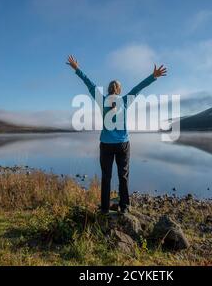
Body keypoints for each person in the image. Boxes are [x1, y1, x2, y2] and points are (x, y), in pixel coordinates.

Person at [66, 55, 167, 214]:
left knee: (106, 177)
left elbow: (89, 84)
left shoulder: (102, 100)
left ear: (108, 90)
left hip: (106, 144)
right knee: (123, 176)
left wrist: (77, 69)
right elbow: (138, 88)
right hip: (122, 144)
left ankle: (105, 209)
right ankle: (124, 207)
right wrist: (153, 76)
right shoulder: (125, 101)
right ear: (119, 91)